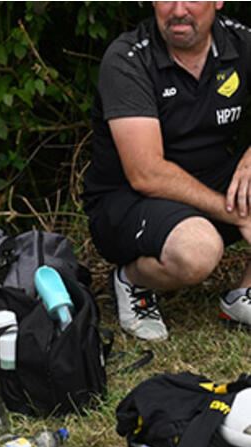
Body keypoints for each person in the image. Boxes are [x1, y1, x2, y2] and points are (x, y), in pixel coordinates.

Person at [83, 1, 251, 341]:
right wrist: (238, 214)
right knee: (199, 251)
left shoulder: (241, 41)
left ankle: (244, 295)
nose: (177, 10)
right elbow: (147, 173)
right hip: (129, 199)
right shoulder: (128, 59)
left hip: (209, 182)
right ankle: (133, 280)